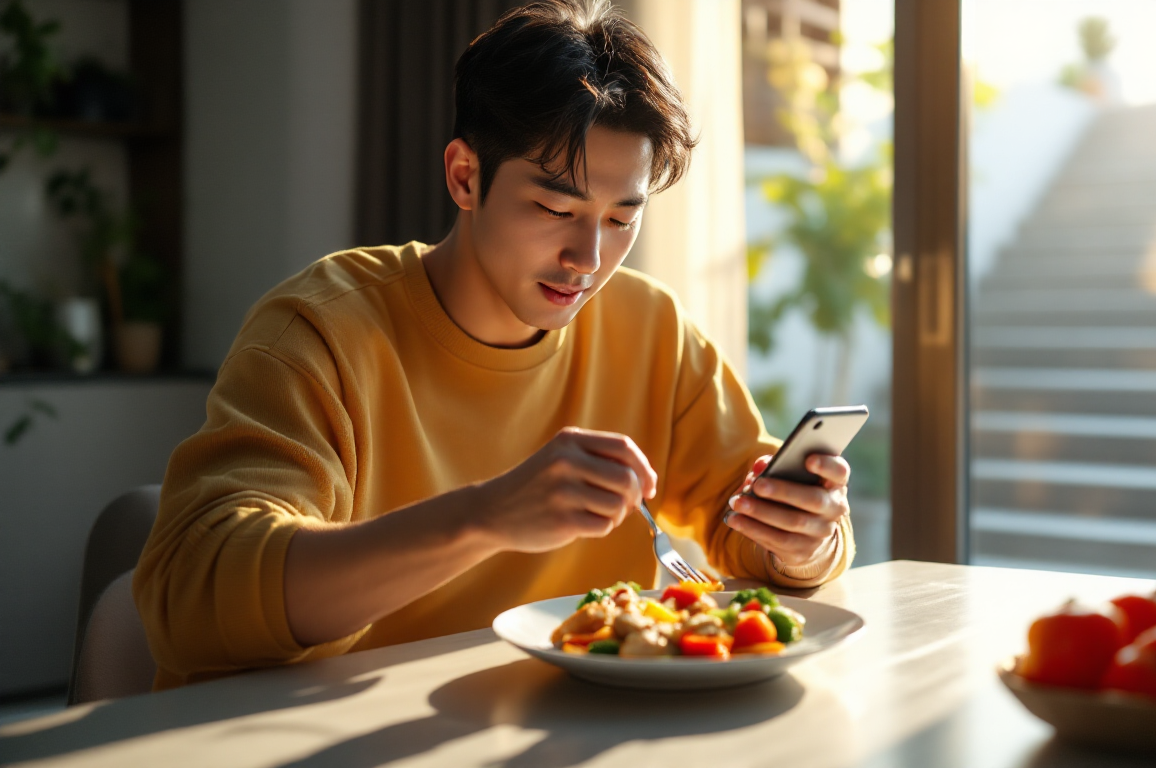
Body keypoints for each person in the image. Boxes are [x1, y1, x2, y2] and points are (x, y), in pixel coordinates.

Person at [133, 0, 855, 690]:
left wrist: (804, 539)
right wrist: (483, 517)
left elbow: (749, 529)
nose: (588, 257)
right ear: (465, 176)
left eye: (619, 219)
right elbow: (189, 599)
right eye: (553, 207)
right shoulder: (322, 330)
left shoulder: (652, 330)